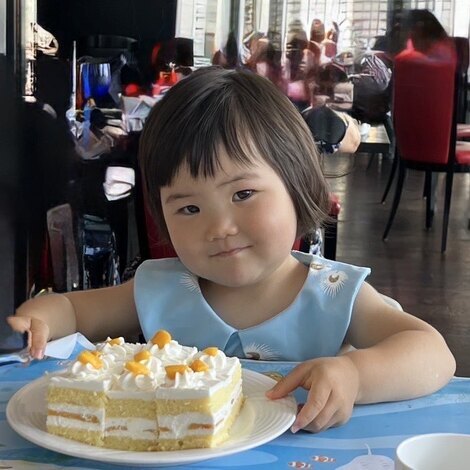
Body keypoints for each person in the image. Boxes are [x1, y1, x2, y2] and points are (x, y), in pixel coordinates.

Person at [8, 67, 455, 434]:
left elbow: (432, 354)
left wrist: (355, 375)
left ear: (296, 184)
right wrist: (37, 320)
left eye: (243, 194)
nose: (219, 228)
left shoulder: (334, 294)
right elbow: (69, 308)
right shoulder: (161, 287)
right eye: (189, 208)